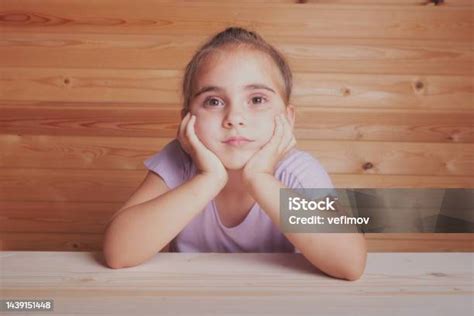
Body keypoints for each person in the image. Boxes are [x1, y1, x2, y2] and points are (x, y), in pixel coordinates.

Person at [103, 27, 367, 280]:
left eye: (257, 99)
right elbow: (118, 252)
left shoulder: (297, 170)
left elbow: (350, 263)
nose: (234, 118)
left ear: (287, 118)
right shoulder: (179, 161)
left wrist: (260, 178)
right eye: (213, 102)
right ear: (188, 121)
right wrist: (209, 178)